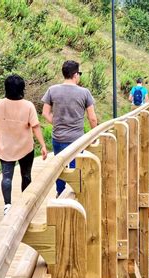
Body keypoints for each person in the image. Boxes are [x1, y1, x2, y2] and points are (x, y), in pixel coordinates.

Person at [0, 74, 48, 215]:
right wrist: (43, 145)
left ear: (6, 89)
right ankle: (25, 204)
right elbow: (36, 126)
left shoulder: (1, 103)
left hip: (5, 147)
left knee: (6, 176)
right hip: (25, 147)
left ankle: (7, 205)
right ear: (22, 89)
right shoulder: (28, 106)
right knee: (26, 175)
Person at [42, 60, 98, 196]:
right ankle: (76, 194)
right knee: (75, 167)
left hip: (58, 137)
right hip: (77, 138)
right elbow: (92, 118)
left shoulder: (52, 90)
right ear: (75, 74)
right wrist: (94, 135)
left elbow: (45, 113)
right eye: (79, 73)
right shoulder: (84, 93)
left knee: (59, 166)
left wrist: (56, 124)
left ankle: (59, 192)